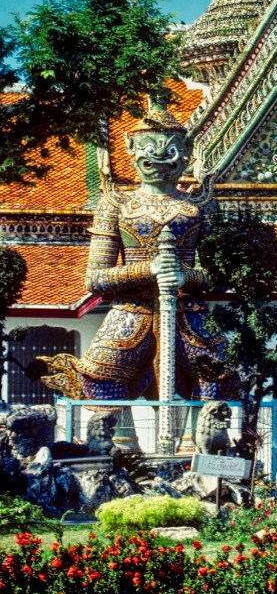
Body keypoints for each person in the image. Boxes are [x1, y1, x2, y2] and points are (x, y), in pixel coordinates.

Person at [40, 108, 237, 402]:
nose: (158, 159)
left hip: (189, 311)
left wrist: (186, 276)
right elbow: (95, 279)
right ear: (131, 151)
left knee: (216, 378)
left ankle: (199, 442)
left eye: (170, 150)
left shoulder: (199, 207)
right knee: (101, 378)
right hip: (131, 311)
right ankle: (120, 442)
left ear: (186, 153)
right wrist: (149, 269)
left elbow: (219, 276)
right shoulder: (117, 205)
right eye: (148, 150)